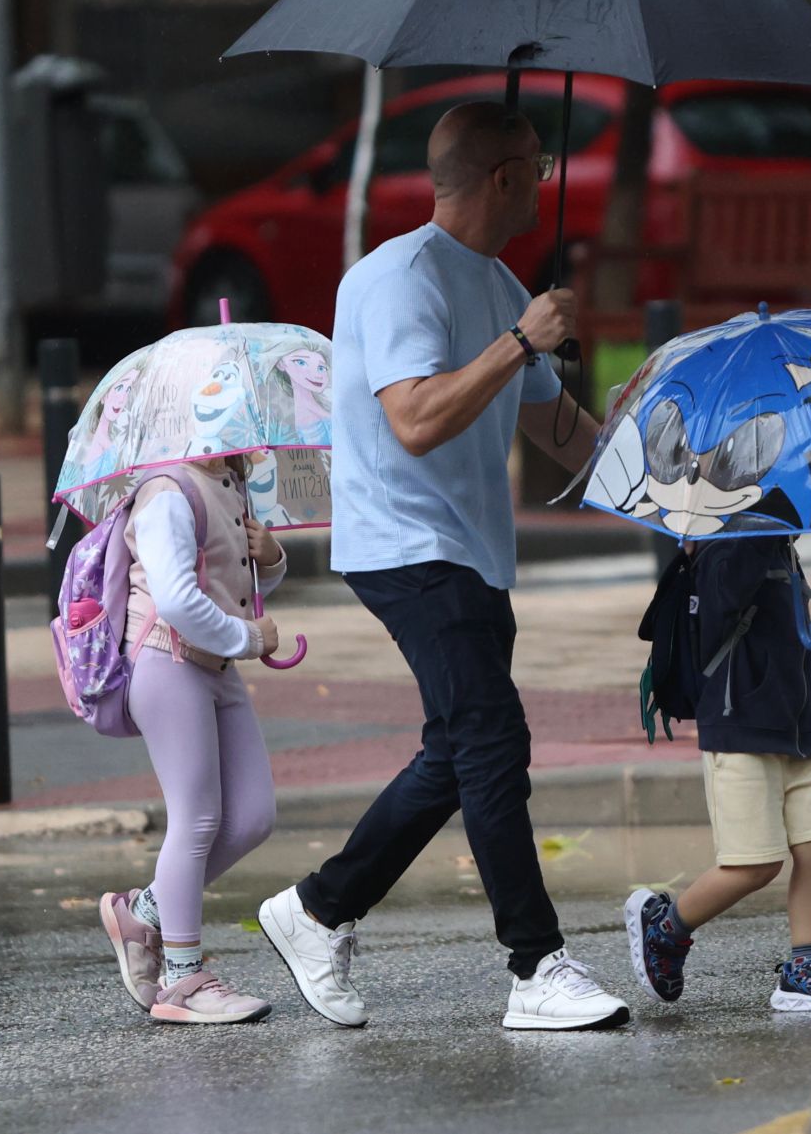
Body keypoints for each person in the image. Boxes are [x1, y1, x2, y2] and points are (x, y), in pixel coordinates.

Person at [256, 101, 629, 1031]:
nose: (545, 186)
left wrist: (642, 451)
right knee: (494, 742)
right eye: (537, 170)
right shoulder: (397, 279)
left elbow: (554, 427)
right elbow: (415, 420)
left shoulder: (503, 284)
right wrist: (519, 342)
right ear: (502, 179)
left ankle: (316, 909)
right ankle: (536, 964)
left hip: (470, 551)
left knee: (458, 752)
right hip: (406, 547)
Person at [622, 535, 811, 1012]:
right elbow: (716, 616)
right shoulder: (729, 550)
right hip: (740, 731)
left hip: (797, 730)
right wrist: (742, 545)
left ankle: (804, 967)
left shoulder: (775, 544)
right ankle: (666, 929)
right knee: (754, 865)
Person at [97, 455, 286, 1025]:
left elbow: (238, 582)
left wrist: (270, 557)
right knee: (197, 819)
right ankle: (182, 981)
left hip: (215, 664)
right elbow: (177, 601)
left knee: (253, 815)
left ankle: (144, 910)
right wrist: (249, 638)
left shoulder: (229, 482)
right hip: (166, 660)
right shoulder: (167, 491)